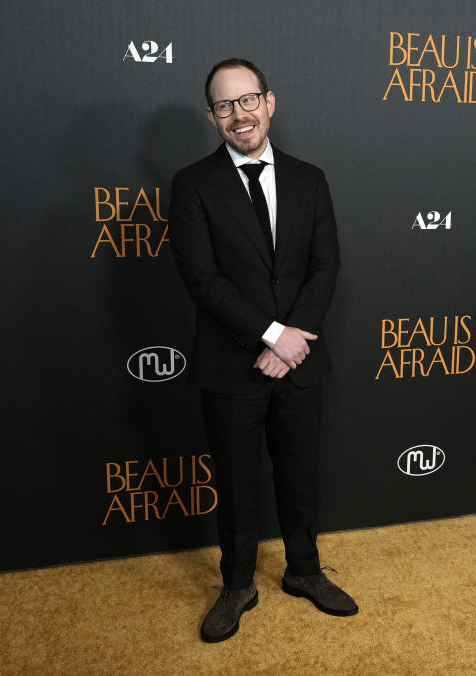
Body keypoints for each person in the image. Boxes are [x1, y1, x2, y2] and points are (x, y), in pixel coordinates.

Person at [169, 58, 356, 642]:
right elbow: (203, 280)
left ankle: (304, 571)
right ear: (212, 117)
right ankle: (238, 584)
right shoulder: (193, 184)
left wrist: (291, 341)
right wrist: (273, 336)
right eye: (224, 106)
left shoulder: (310, 178)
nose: (238, 114)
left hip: (298, 362)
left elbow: (325, 266)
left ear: (269, 103)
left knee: (301, 475)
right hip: (232, 364)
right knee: (235, 481)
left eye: (247, 100)